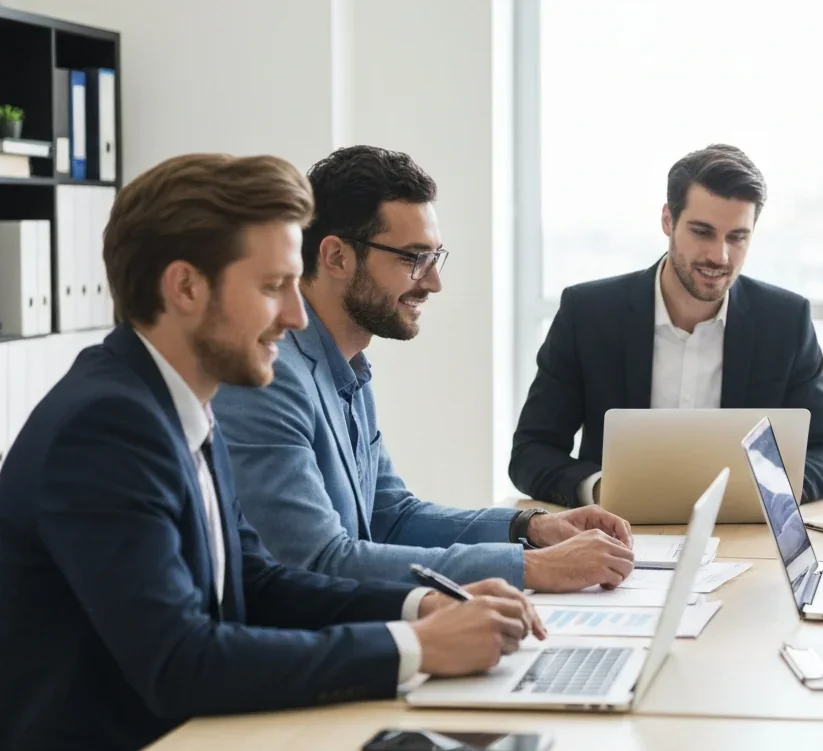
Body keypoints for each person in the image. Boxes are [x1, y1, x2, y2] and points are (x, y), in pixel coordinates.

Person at [0, 154, 543, 751]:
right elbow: (181, 661)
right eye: (273, 289)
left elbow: (256, 582)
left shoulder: (179, 403)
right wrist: (414, 647)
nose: (296, 317)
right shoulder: (107, 427)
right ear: (185, 287)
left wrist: (421, 605)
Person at [212, 146, 634, 593]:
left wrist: (528, 527)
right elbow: (317, 561)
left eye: (435, 257)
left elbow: (392, 516)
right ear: (336, 257)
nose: (434, 282)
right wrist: (530, 568)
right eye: (414, 258)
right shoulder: (271, 377)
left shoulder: (349, 368)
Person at [509, 143, 823, 508]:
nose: (720, 256)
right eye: (702, 232)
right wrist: (600, 490)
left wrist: (759, 493)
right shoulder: (588, 314)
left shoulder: (785, 321)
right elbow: (532, 452)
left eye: (737, 237)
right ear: (668, 220)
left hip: (743, 537)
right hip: (615, 535)